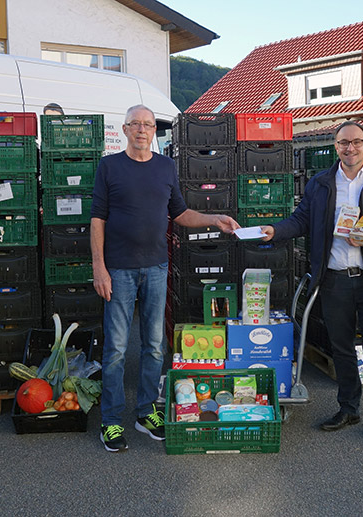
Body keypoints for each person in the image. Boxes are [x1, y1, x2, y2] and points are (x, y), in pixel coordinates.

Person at [90, 104, 239, 452]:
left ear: (154, 131)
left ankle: (145, 412)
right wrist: (99, 267)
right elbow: (98, 219)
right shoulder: (109, 166)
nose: (142, 130)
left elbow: (181, 214)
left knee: (155, 346)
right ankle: (111, 421)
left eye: (148, 125)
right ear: (125, 129)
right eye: (136, 124)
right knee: (115, 350)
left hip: (156, 267)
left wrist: (214, 218)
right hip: (119, 270)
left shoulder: (165, 167)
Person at [261, 121, 363, 447]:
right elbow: (301, 219)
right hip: (334, 280)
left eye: (356, 142)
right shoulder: (321, 183)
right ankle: (348, 408)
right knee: (341, 350)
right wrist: (275, 230)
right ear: (335, 146)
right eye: (343, 143)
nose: (350, 148)